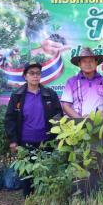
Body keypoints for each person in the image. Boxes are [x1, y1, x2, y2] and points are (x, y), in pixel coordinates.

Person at [4, 62, 62, 197]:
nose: (35, 76)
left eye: (38, 73)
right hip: (26, 142)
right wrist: (13, 141)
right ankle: (29, 204)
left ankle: (45, 203)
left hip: (47, 142)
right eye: (31, 73)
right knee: (28, 176)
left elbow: (58, 115)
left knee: (47, 175)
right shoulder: (17, 95)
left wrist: (57, 138)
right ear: (25, 76)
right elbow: (10, 119)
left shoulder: (49, 94)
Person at [61, 47, 103, 117]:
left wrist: (98, 118)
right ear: (79, 64)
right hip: (77, 125)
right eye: (84, 61)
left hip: (99, 124)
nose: (88, 64)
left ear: (96, 63)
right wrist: (80, 120)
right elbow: (65, 106)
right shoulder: (71, 82)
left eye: (91, 61)